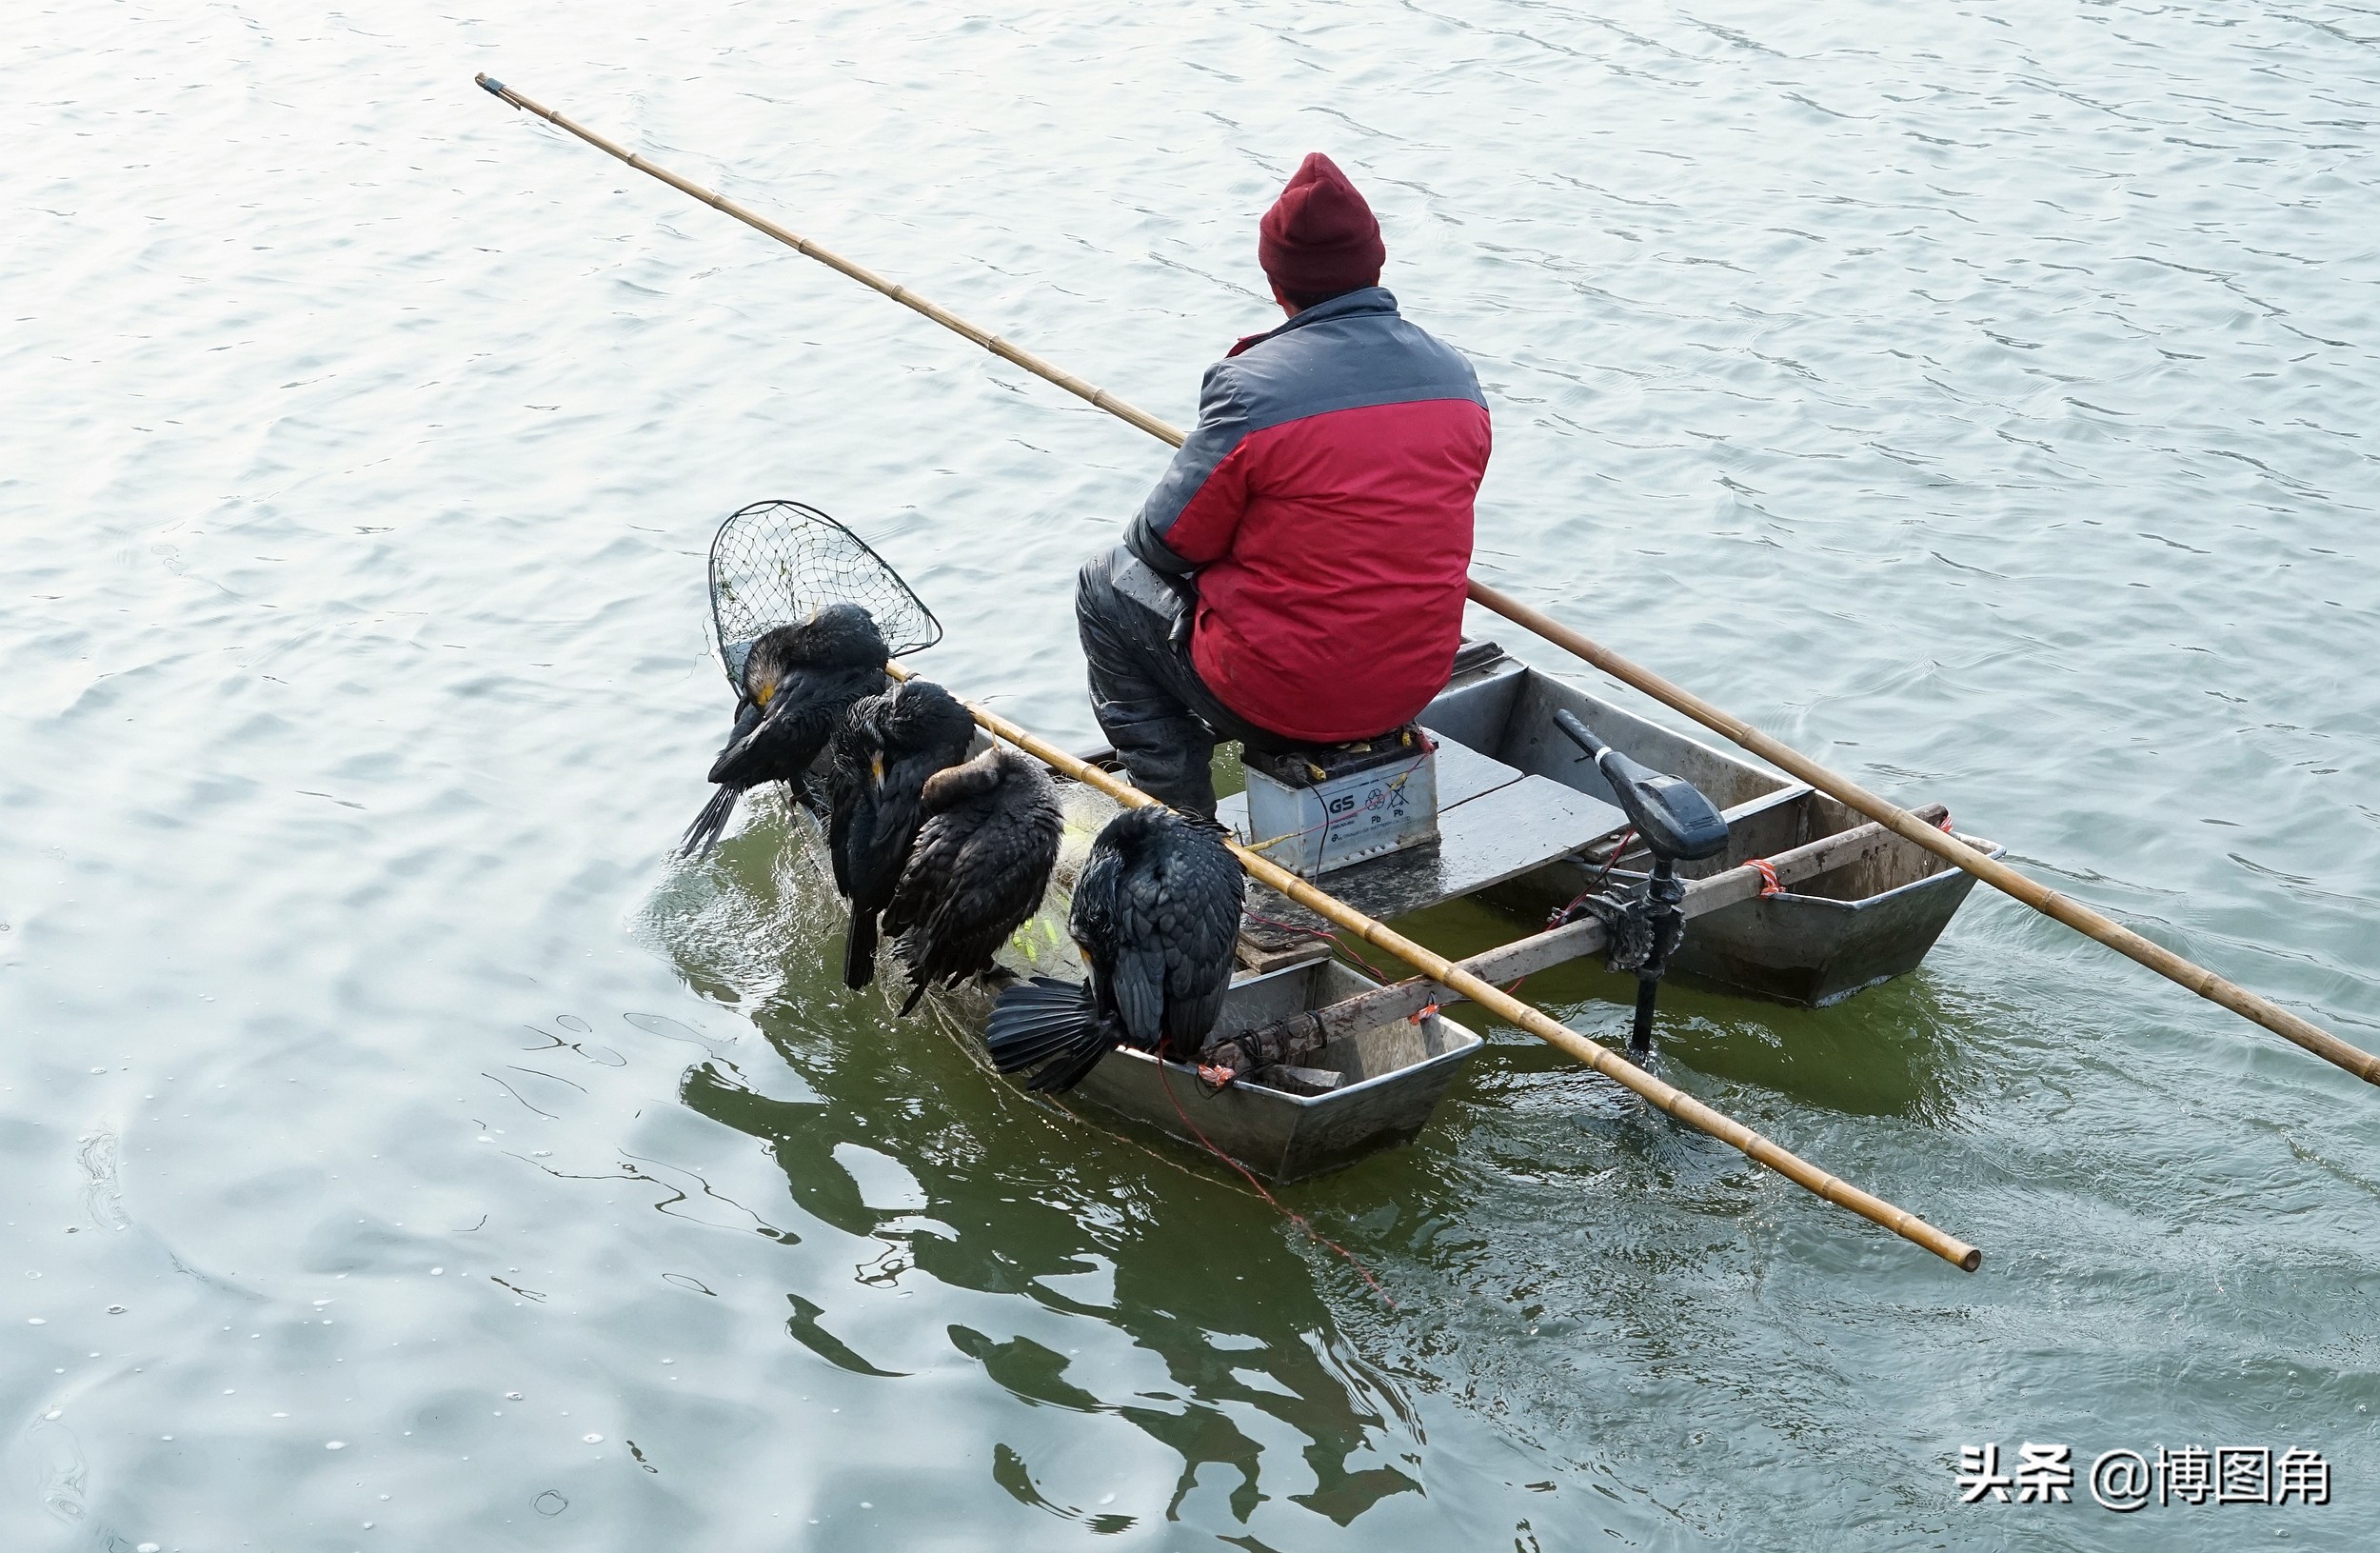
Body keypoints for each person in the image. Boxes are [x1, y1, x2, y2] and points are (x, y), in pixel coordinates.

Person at [1075, 151, 1492, 817]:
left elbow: (1159, 545)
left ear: (1277, 284)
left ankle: (1184, 830)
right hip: (1412, 684)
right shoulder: (1459, 382)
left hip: (1280, 695)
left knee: (1103, 583)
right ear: (1375, 265)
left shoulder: (1249, 391)